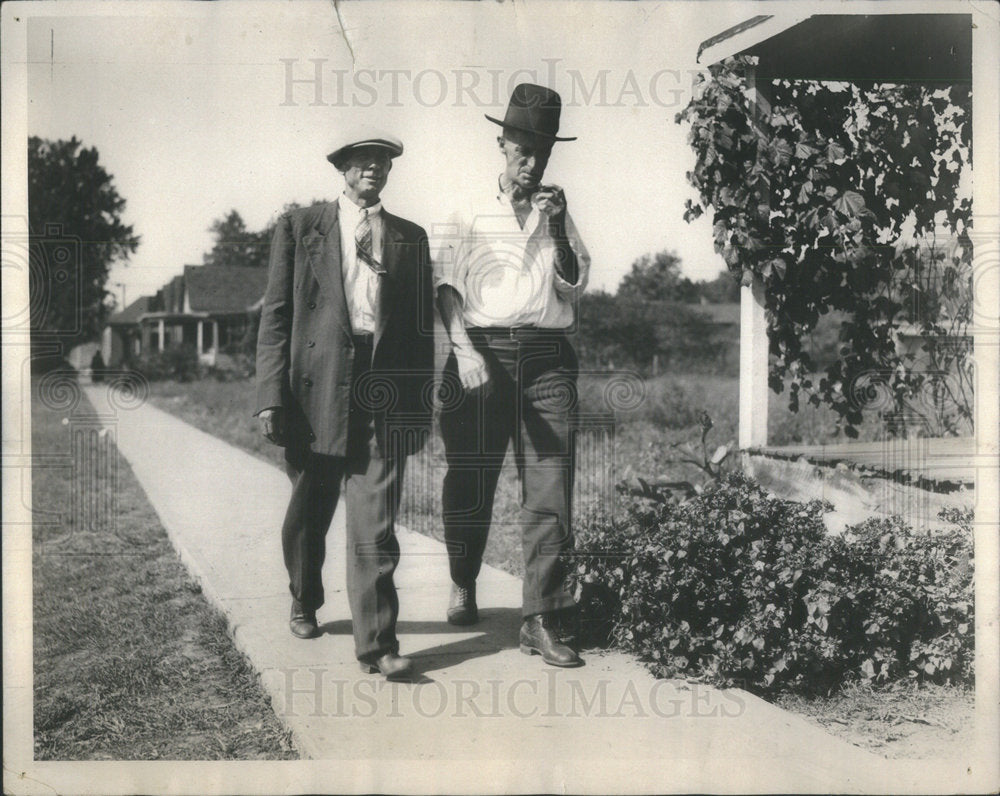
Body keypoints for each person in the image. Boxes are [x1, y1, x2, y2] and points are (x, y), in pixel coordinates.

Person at [255, 127, 434, 682]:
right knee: (310, 508)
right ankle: (305, 598)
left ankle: (378, 645)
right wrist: (270, 396)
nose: (373, 170)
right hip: (315, 383)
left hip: (383, 388)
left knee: (375, 523)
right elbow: (277, 315)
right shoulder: (301, 225)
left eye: (381, 162)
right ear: (343, 168)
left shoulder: (410, 237)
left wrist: (419, 405)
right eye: (362, 162)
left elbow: (422, 330)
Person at [435, 84, 590, 667]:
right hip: (479, 356)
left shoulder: (560, 213)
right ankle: (462, 577)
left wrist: (558, 225)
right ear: (501, 145)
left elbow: (574, 285)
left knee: (550, 490)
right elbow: (444, 287)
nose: (529, 164)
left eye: (540, 154)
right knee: (471, 483)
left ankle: (541, 619)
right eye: (520, 151)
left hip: (547, 360)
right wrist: (465, 351)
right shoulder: (463, 207)